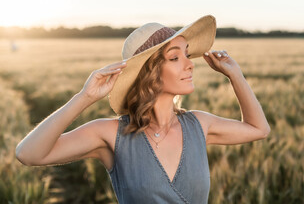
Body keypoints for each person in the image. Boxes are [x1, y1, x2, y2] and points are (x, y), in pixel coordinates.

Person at [15, 15, 270, 203]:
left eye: (187, 55)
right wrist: (84, 97)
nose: (190, 65)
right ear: (149, 73)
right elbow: (29, 154)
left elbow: (258, 129)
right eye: (174, 57)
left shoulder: (199, 125)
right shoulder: (110, 134)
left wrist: (235, 76)